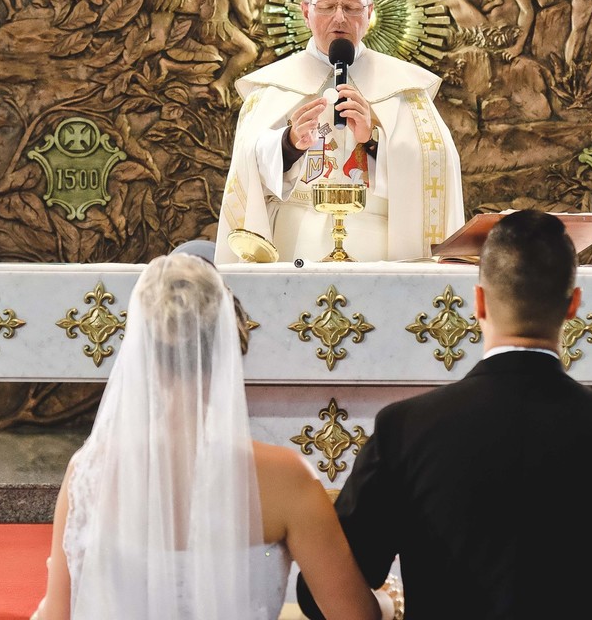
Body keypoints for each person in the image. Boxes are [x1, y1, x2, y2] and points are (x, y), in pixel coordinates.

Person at [297, 210, 592, 619]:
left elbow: (321, 592)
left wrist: (387, 605)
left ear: (478, 302)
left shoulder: (405, 429)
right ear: (573, 305)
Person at [33, 254, 387, 619]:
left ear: (143, 355)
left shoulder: (90, 472)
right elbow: (357, 617)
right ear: (229, 350)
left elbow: (58, 614)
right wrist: (390, 602)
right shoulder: (288, 478)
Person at [214, 0, 465, 264]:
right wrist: (289, 144)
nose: (340, 18)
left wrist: (371, 141)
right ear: (306, 11)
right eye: (326, 6)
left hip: (377, 253)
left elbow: (435, 166)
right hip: (292, 247)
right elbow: (246, 170)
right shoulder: (272, 88)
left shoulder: (405, 89)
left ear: (369, 13)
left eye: (352, 7)